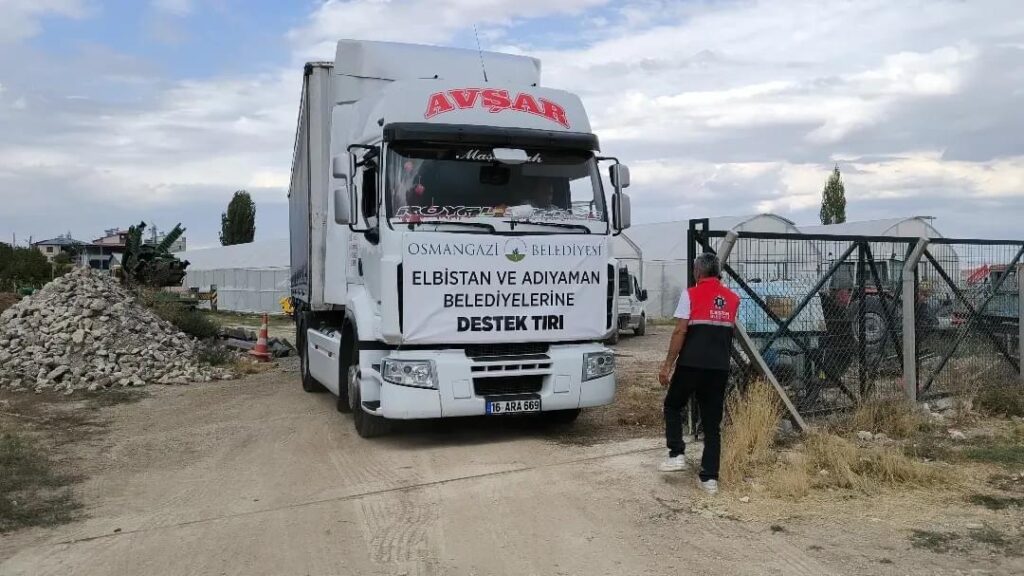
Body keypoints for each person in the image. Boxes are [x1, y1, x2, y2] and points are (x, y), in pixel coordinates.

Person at [657, 253, 740, 495]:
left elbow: (680, 331)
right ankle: (710, 479)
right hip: (719, 368)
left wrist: (667, 366)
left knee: (673, 405)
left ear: (698, 272)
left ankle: (676, 454)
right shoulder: (733, 299)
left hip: (691, 365)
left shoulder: (690, 294)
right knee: (713, 425)